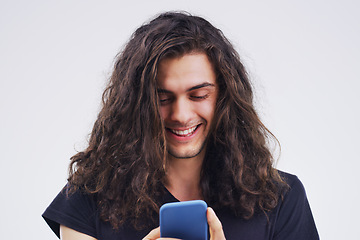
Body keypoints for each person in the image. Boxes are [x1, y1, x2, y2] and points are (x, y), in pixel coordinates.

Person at [42, 12, 319, 240]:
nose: (181, 115)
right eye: (162, 98)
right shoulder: (88, 198)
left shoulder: (282, 199)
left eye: (199, 95)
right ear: (137, 104)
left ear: (224, 96)